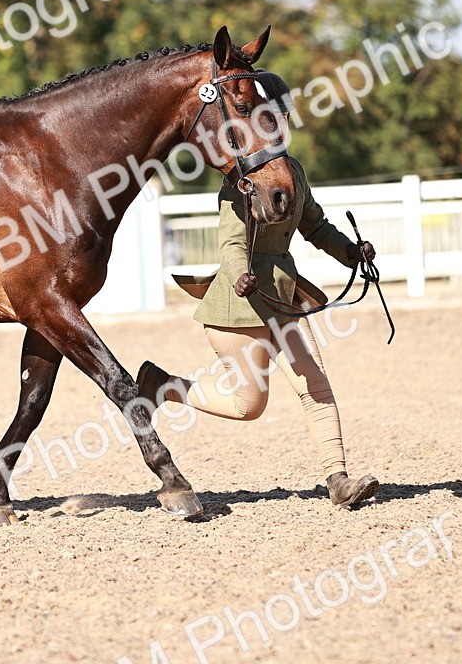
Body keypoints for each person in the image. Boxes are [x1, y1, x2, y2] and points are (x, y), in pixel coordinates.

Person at [137, 71, 380, 509]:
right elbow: (230, 243)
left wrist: (352, 253)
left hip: (282, 300)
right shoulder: (241, 180)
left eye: (280, 117)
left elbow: (316, 227)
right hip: (237, 304)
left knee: (316, 386)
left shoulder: (292, 174)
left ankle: (338, 480)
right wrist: (239, 273)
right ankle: (165, 386)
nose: (277, 124)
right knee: (250, 406)